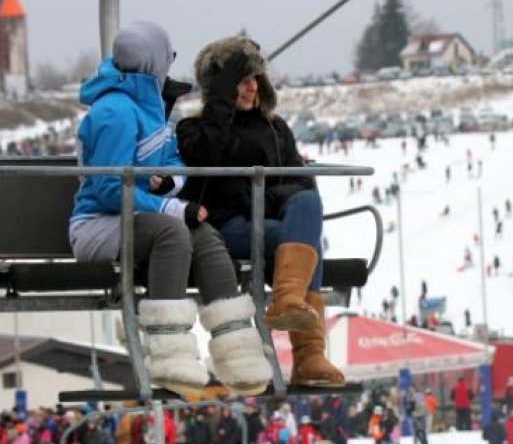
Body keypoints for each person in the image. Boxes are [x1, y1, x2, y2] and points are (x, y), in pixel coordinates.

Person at [68, 22, 271, 396]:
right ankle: (168, 350)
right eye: (168, 58)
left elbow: (173, 160)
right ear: (153, 62)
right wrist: (171, 207)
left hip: (140, 217)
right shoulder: (114, 112)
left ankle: (238, 351)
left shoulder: (149, 107)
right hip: (99, 224)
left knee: (205, 236)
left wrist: (170, 181)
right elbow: (111, 187)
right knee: (173, 231)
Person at [176, 36, 344, 387]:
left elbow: (298, 185)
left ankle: (290, 305)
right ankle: (308, 353)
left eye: (255, 79)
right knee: (303, 242)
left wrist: (265, 199)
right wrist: (221, 104)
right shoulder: (193, 130)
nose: (252, 88)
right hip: (223, 229)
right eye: (241, 80)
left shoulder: (275, 128)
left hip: (269, 224)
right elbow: (208, 157)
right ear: (220, 88)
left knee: (308, 205)